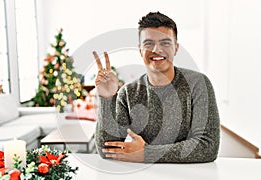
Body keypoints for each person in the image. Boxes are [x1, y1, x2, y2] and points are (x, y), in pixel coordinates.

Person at [93, 11, 220, 163]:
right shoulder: (128, 93)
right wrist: (107, 98)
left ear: (176, 48)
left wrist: (147, 153)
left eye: (165, 42)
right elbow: (107, 150)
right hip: (146, 179)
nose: (156, 49)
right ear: (140, 49)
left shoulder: (198, 84)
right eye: (149, 43)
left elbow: (207, 147)